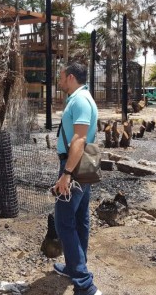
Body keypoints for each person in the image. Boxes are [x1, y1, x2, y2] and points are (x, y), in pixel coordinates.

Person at [53, 62, 101, 295]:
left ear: (71, 78)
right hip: (81, 166)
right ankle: (74, 267)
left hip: (74, 165)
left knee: (63, 221)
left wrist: (67, 174)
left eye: (61, 77)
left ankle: (84, 285)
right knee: (80, 217)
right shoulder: (83, 98)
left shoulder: (80, 100)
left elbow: (79, 139)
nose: (59, 81)